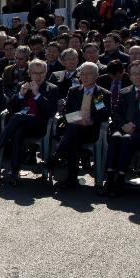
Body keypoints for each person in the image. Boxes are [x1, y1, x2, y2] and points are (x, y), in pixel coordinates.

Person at [0, 59, 58, 185]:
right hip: (21, 125)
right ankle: (14, 173)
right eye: (35, 73)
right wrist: (20, 94)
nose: (38, 76)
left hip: (39, 125)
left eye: (41, 73)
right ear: (29, 73)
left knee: (18, 117)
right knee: (18, 133)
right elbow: (10, 108)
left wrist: (37, 94)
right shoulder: (23, 85)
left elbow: (51, 112)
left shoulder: (51, 88)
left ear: (46, 73)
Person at [103, 62, 140, 196]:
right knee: (115, 137)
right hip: (124, 129)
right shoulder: (124, 92)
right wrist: (124, 125)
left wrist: (134, 125)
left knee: (125, 139)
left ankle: (119, 180)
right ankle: (109, 179)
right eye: (134, 74)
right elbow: (115, 112)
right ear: (129, 76)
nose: (138, 76)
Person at [48, 61, 110, 190]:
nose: (85, 77)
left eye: (89, 74)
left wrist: (90, 121)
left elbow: (103, 114)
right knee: (73, 139)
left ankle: (56, 158)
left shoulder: (101, 93)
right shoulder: (74, 91)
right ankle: (71, 179)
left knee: (72, 134)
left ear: (96, 76)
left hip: (91, 131)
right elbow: (67, 113)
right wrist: (78, 119)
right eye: (82, 74)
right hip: (74, 127)